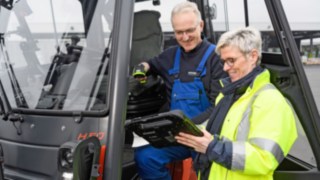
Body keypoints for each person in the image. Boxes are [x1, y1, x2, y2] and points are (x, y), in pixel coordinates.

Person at [175, 26, 298, 180]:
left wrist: (212, 147)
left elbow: (264, 159)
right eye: (224, 61)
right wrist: (188, 132)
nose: (226, 68)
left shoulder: (270, 101)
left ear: (253, 56)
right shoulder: (228, 94)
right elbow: (219, 133)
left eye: (231, 61)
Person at [132, 1, 226, 179]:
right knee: (145, 157)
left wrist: (188, 128)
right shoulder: (170, 55)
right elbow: (150, 64)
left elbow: (218, 106)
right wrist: (140, 69)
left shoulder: (216, 58)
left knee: (207, 170)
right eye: (179, 32)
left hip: (204, 135)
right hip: (177, 135)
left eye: (189, 30)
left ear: (201, 25)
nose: (185, 37)